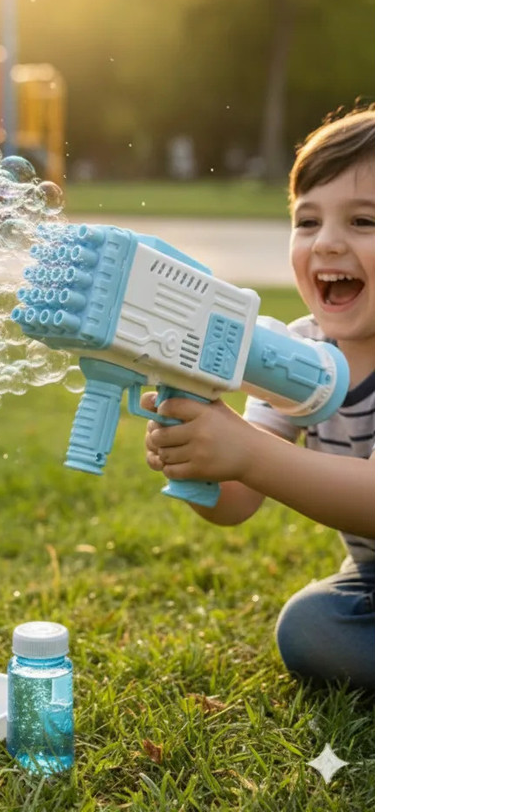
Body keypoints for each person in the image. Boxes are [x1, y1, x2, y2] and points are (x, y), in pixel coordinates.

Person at [143, 105, 374, 690]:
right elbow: (237, 500)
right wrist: (197, 453)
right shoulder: (294, 351)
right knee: (312, 627)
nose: (326, 244)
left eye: (364, 222)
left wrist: (245, 451)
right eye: (307, 222)